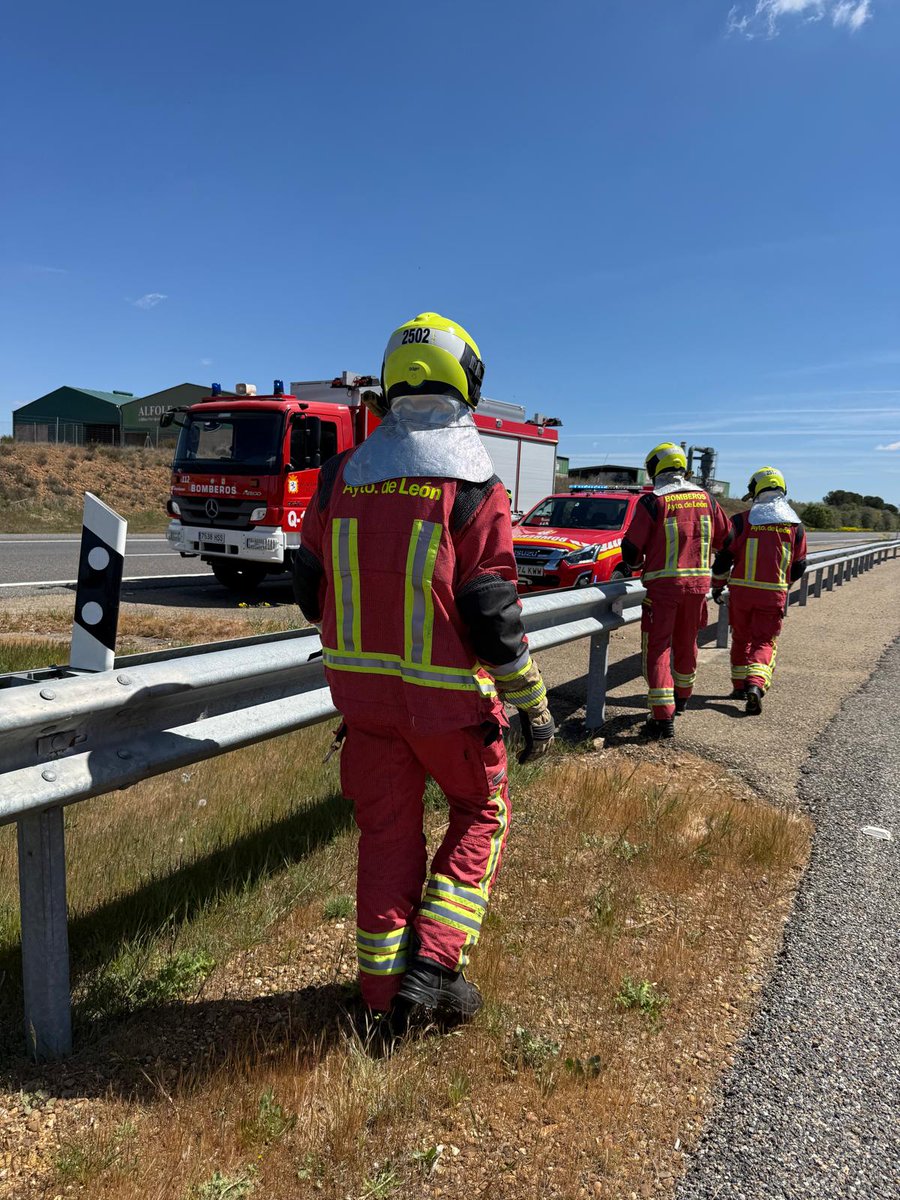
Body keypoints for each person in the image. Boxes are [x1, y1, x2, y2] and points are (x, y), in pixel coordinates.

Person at [292, 312, 555, 1028]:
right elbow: (491, 611)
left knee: (386, 837)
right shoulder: (472, 483)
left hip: (362, 704)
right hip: (446, 709)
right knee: (479, 813)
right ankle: (436, 970)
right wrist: (531, 702)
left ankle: (378, 1002)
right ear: (466, 380)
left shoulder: (343, 474)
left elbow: (306, 575)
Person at [620, 442, 730, 739]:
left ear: (655, 468)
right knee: (687, 643)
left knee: (658, 649)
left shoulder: (653, 501)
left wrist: (636, 561)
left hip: (663, 590)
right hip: (698, 589)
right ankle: (681, 698)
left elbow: (631, 548)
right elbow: (727, 538)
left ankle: (662, 716)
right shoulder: (706, 499)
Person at [711, 466, 807, 715]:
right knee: (764, 641)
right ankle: (756, 685)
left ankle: (739, 687)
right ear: (782, 489)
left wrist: (718, 586)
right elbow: (799, 565)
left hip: (741, 593)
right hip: (773, 593)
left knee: (741, 638)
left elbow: (723, 559)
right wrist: (786, 585)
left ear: (755, 491)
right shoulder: (795, 526)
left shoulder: (742, 521)